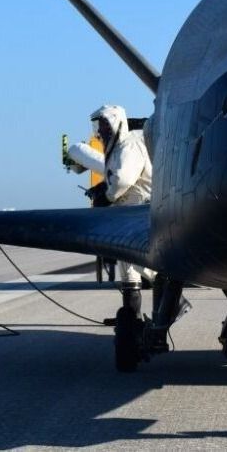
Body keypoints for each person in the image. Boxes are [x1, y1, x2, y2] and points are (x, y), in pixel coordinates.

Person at [86, 105, 153, 318]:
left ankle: (169, 307)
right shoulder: (117, 148)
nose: (100, 130)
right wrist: (101, 188)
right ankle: (131, 316)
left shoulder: (129, 145)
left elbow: (122, 180)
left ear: (117, 123)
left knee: (145, 267)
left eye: (104, 124)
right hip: (128, 215)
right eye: (99, 125)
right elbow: (115, 178)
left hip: (139, 214)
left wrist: (106, 196)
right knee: (129, 271)